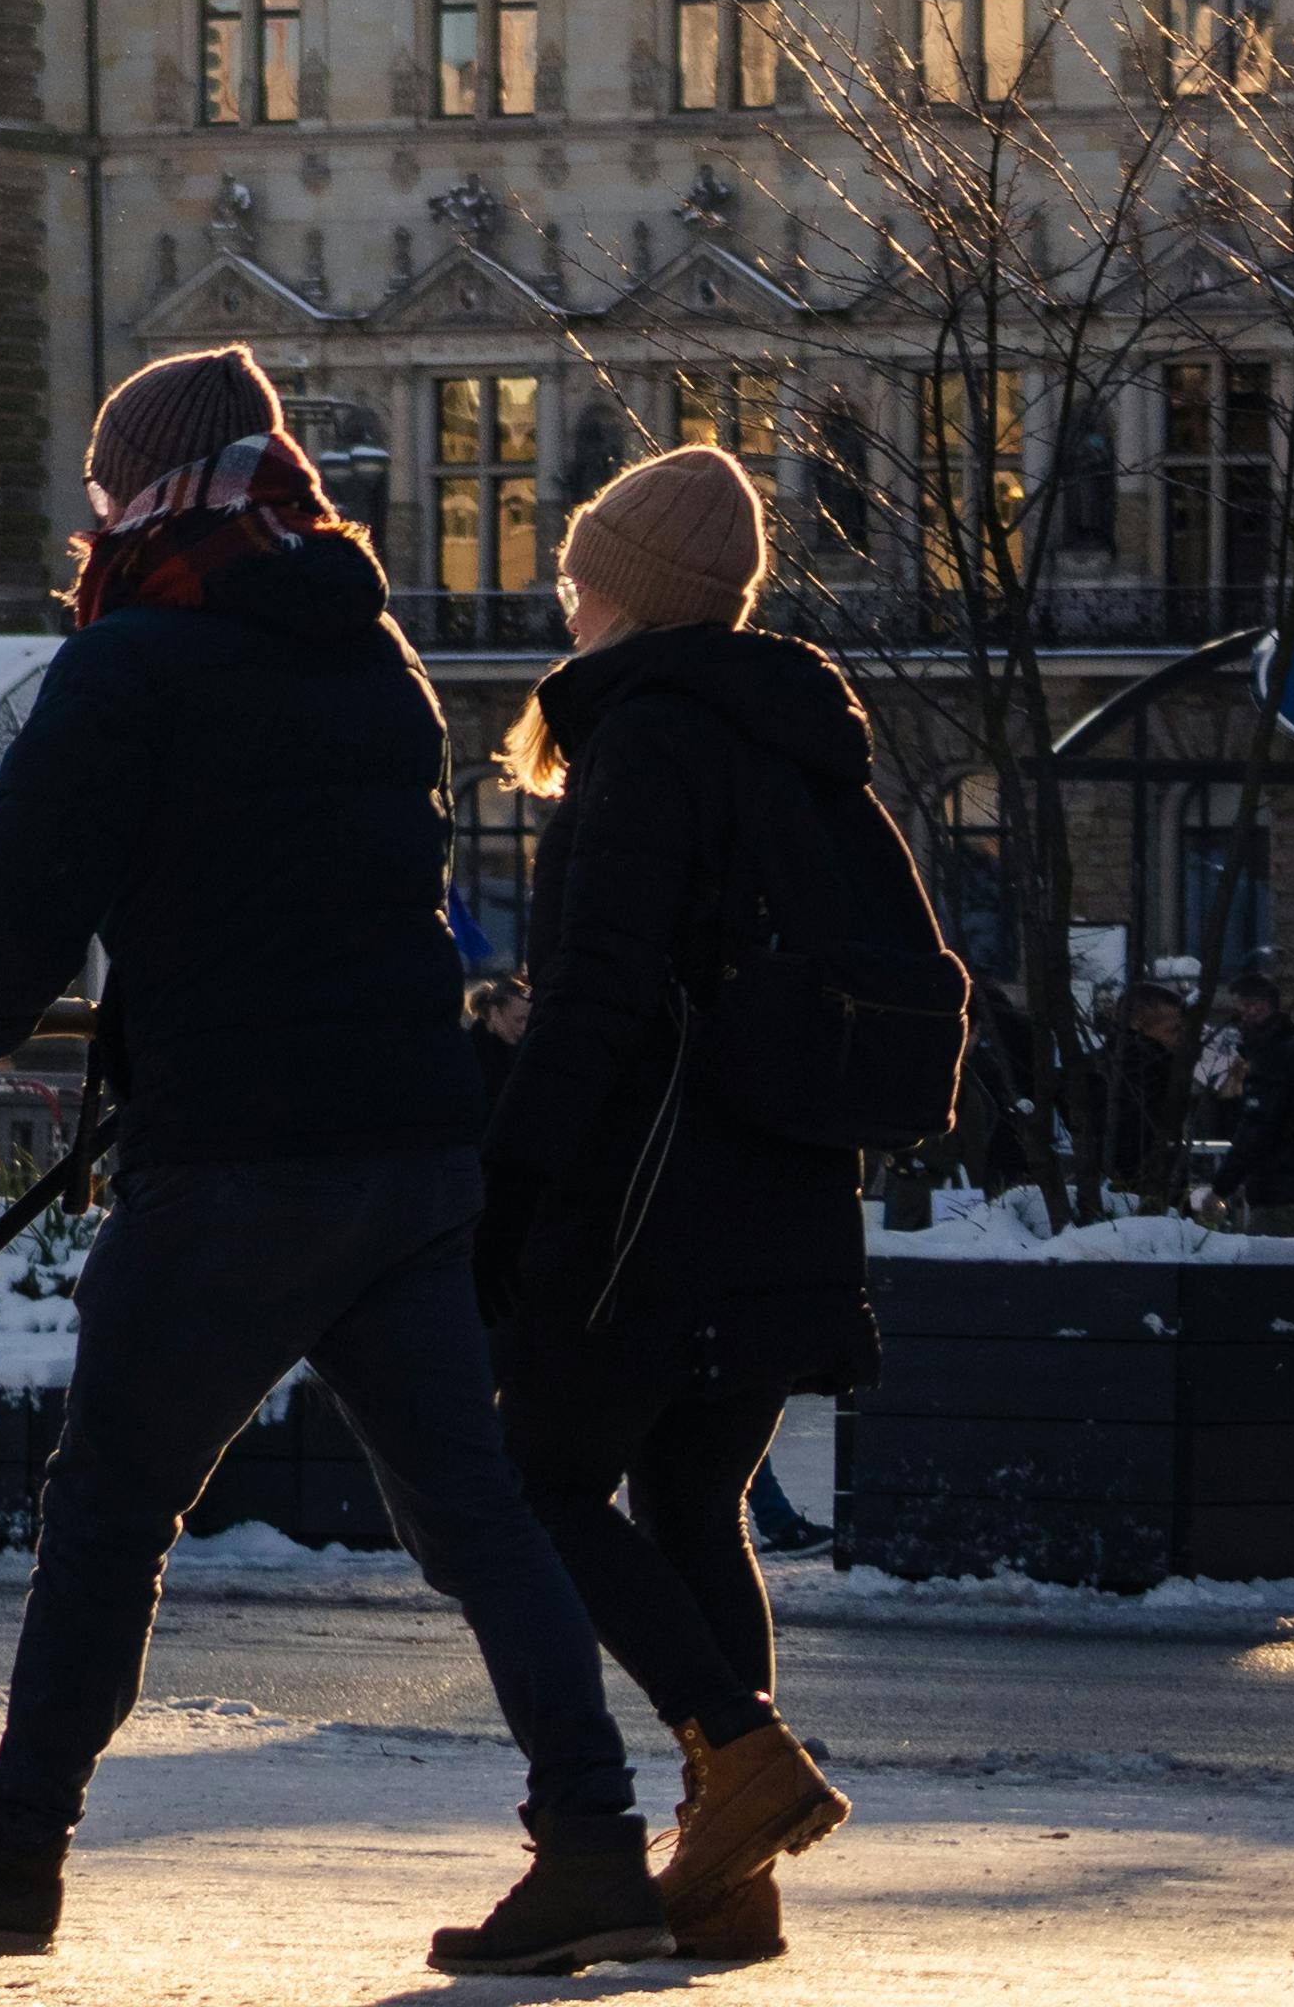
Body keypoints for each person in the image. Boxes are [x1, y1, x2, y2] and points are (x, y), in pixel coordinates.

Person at [0, 346, 666, 1972]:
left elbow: (24, 911)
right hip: (409, 1148)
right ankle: (597, 1841)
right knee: (480, 1517)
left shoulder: (131, 663)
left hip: (237, 1160)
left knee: (115, 1505)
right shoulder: (375, 660)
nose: (95, 520)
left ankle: (17, 1842)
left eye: (105, 489)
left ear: (147, 489)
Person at [474, 443, 867, 1980]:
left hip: (650, 1205)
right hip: (777, 1189)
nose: (565, 601)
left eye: (582, 576)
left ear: (632, 598)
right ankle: (724, 1881)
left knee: (542, 1484)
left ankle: (741, 1755)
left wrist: (511, 1181)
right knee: (695, 1500)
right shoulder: (791, 742)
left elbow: (606, 1007)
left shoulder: (646, 750)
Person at [1207, 968, 1294, 1234]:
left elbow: (1256, 1129)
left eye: (1244, 1009)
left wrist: (1221, 1187)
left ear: (1258, 1007)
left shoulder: (1273, 1059)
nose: (1240, 1018)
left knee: (1268, 1265)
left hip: (1282, 1189)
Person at [1101, 978, 1199, 1210]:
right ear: (1139, 1026)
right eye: (1173, 1030)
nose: (1179, 1038)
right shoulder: (1148, 1071)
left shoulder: (1112, 1066)